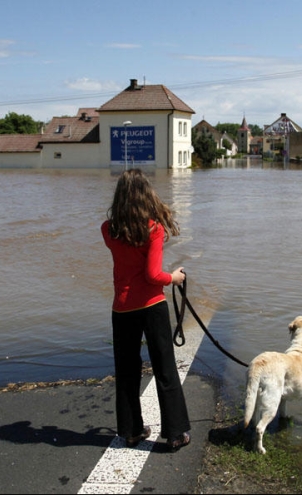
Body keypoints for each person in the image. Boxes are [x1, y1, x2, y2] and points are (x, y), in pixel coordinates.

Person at [101, 168, 191, 451]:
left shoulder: (108, 229)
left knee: (127, 371)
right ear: (146, 196)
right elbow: (153, 275)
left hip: (122, 308)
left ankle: (131, 431)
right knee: (165, 369)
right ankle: (175, 433)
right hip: (152, 306)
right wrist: (174, 277)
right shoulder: (154, 228)